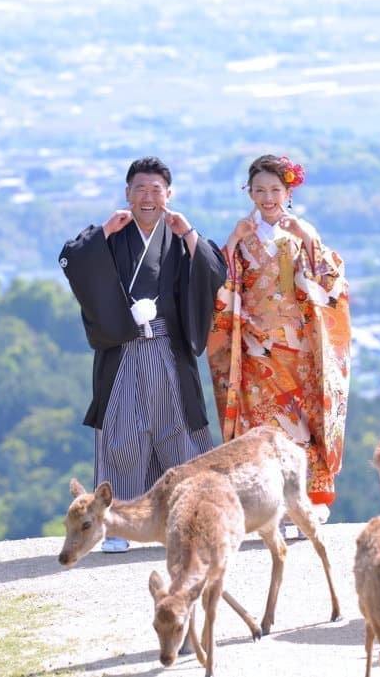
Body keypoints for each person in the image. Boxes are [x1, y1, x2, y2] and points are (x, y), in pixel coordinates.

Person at [59, 156, 228, 553]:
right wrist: (103, 231)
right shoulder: (112, 234)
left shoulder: (179, 235)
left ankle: (194, 519)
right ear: (127, 194)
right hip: (123, 351)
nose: (148, 197)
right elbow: (69, 259)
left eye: (156, 190)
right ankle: (115, 527)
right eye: (140, 189)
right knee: (122, 437)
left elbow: (215, 270)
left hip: (168, 350)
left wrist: (188, 233)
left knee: (180, 435)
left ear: (169, 195)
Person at [207, 154, 351, 538]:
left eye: (275, 190)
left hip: (299, 349)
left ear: (288, 192)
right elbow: (223, 288)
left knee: (301, 425)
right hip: (254, 350)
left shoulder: (302, 233)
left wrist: (307, 239)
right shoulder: (241, 235)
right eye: (260, 190)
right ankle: (270, 509)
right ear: (249, 193)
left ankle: (305, 505)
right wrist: (232, 243)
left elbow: (332, 285)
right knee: (261, 429)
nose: (267, 197)